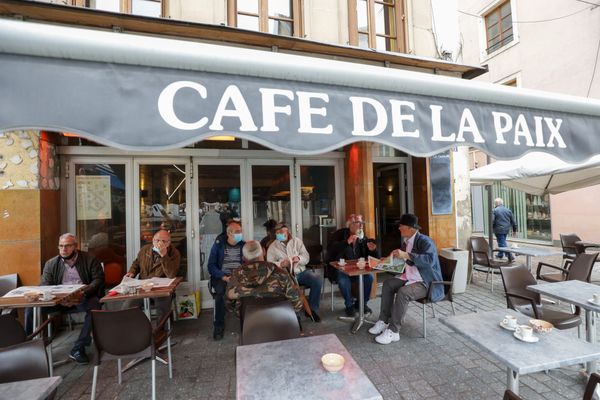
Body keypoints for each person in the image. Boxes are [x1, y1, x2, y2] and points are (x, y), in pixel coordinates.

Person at [26, 233, 104, 364]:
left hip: (81, 297)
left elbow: (98, 280)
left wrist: (83, 293)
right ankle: (30, 347)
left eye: (67, 246)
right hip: (58, 300)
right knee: (31, 309)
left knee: (95, 307)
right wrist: (59, 298)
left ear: (75, 246)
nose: (64, 249)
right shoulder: (51, 264)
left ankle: (78, 348)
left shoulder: (89, 259)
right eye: (61, 246)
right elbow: (44, 284)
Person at [368, 214, 443, 345]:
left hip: (426, 283)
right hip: (410, 278)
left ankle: (394, 331)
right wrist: (386, 261)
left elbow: (429, 260)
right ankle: (383, 321)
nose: (399, 228)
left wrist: (406, 254)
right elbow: (402, 261)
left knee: (403, 292)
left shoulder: (425, 241)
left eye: (401, 226)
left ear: (410, 228)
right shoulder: (406, 242)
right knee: (387, 284)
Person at [226, 240, 302, 317]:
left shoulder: (235, 276)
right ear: (264, 251)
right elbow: (297, 304)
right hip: (279, 321)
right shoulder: (282, 274)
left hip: (249, 323)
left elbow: (230, 305)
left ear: (244, 257)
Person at [266, 223, 323, 322]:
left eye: (281, 231)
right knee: (291, 288)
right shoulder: (273, 247)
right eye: (277, 232)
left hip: (300, 272)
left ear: (287, 231)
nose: (279, 234)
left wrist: (299, 258)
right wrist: (280, 264)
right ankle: (294, 315)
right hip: (285, 275)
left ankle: (311, 309)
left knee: (317, 279)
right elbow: (270, 265)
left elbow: (306, 257)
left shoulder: (297, 242)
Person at [327, 214, 378, 317]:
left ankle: (361, 304)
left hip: (358, 270)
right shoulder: (339, 234)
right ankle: (349, 305)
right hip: (342, 270)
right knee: (343, 280)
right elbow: (331, 250)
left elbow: (371, 257)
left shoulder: (362, 237)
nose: (361, 225)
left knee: (369, 278)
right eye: (358, 223)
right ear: (350, 224)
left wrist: (373, 250)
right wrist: (347, 242)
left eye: (362, 223)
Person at [124, 229, 180, 321]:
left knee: (161, 309)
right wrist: (132, 272)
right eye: (157, 240)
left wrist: (164, 256)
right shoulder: (145, 250)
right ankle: (136, 330)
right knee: (128, 306)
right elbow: (136, 263)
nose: (160, 243)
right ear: (153, 240)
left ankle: (161, 332)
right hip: (143, 287)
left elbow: (171, 274)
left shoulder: (174, 253)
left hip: (162, 289)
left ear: (169, 243)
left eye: (163, 241)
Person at [208, 220, 245, 340]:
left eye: (241, 231)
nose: (240, 233)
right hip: (222, 277)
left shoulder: (243, 245)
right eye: (237, 232)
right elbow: (211, 265)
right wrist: (223, 276)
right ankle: (219, 325)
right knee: (220, 293)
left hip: (239, 277)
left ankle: (248, 322)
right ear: (229, 234)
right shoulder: (218, 245)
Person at [492, 198, 518, 262]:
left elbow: (492, 221)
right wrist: (514, 230)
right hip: (506, 229)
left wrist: (492, 228)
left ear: (496, 203)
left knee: (502, 243)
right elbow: (513, 221)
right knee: (502, 241)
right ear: (502, 203)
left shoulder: (494, 210)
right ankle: (500, 254)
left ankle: (510, 255)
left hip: (498, 229)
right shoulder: (508, 210)